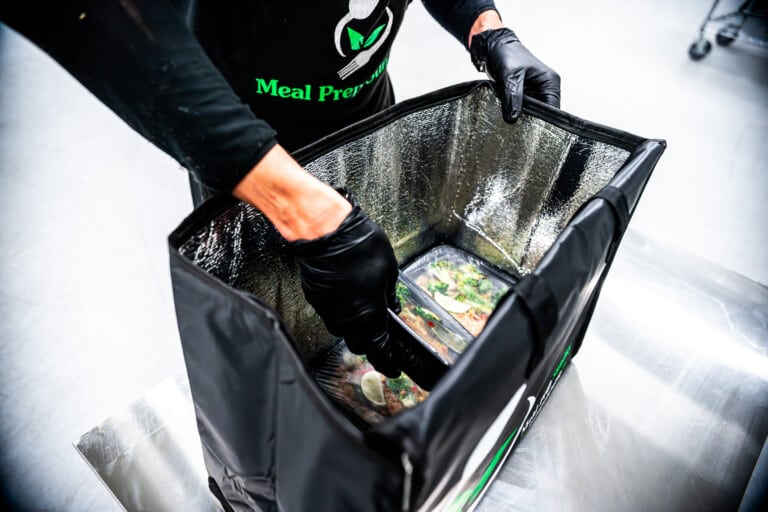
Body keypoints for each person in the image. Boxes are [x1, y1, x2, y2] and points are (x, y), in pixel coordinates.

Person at [0, 1, 560, 376]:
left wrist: (484, 24)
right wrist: (299, 207)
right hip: (251, 160)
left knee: (368, 305)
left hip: (366, 124)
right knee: (272, 344)